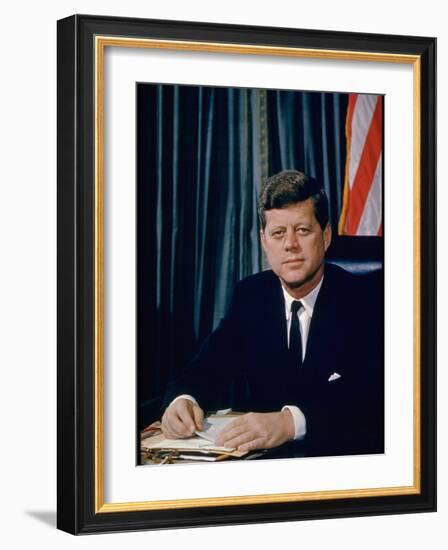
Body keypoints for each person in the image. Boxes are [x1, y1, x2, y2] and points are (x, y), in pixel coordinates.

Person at [160, 170, 384, 458]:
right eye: (278, 233)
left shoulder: (367, 300)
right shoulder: (250, 296)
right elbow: (205, 367)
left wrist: (291, 423)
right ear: (265, 242)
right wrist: (183, 399)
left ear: (326, 236)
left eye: (302, 230)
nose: (290, 244)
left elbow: (375, 400)